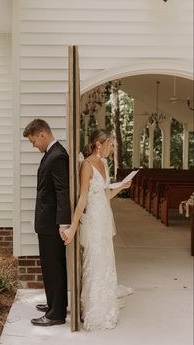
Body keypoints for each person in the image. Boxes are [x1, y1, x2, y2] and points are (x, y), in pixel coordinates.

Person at [61, 129, 133, 330]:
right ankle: (93, 309)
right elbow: (83, 198)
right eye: (110, 143)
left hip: (104, 220)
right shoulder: (87, 165)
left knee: (106, 261)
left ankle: (106, 306)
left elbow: (104, 196)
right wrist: (73, 227)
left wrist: (121, 187)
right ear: (98, 144)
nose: (112, 147)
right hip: (92, 221)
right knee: (93, 261)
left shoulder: (105, 164)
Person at [23, 119, 71, 326]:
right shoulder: (51, 154)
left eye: (34, 141)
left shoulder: (58, 155)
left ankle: (56, 314)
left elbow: (62, 191)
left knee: (54, 266)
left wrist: (63, 223)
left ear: (42, 134)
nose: (34, 145)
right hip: (47, 222)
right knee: (51, 266)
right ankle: (55, 303)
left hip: (52, 224)